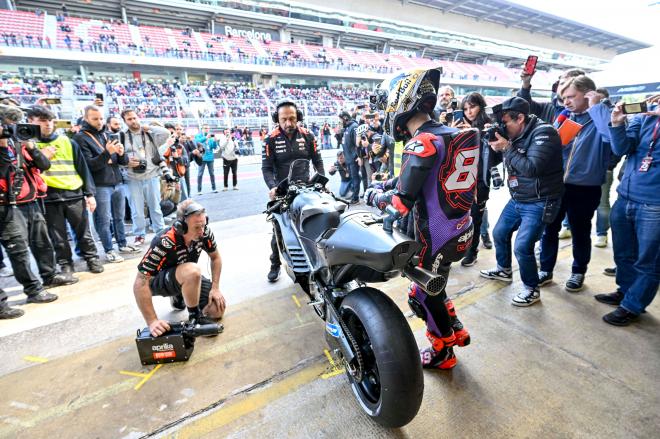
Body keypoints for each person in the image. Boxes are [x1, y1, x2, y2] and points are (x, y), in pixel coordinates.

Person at [365, 68, 477, 369]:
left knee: (422, 295)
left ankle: (443, 351)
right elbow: (424, 178)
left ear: (400, 103)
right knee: (437, 285)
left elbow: (400, 203)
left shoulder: (422, 142)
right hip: (462, 228)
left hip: (436, 236)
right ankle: (456, 327)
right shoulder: (453, 134)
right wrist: (387, 184)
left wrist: (374, 196)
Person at [479, 97, 564, 306]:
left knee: (523, 246)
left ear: (520, 118)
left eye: (505, 122)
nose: (503, 127)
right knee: (499, 233)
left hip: (540, 200)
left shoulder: (545, 133)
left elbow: (532, 168)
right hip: (519, 197)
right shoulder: (513, 134)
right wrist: (491, 143)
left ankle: (531, 289)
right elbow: (493, 161)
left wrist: (507, 147)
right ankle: (504, 270)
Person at [538, 75, 612, 292]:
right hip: (557, 184)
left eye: (570, 97)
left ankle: (578, 271)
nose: (566, 102)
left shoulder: (603, 116)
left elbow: (611, 138)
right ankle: (545, 270)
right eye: (563, 98)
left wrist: (597, 107)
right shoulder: (564, 116)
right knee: (549, 229)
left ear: (588, 94)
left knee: (580, 231)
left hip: (585, 187)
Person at [595, 96, 660, 326]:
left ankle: (633, 305)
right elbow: (622, 147)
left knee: (649, 261)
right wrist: (617, 122)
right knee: (623, 253)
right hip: (626, 196)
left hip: (655, 203)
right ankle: (625, 291)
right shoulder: (646, 113)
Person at [29, 105, 104, 275]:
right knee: (58, 236)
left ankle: (92, 258)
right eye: (42, 121)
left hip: (74, 194)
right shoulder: (29, 146)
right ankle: (66, 264)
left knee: (83, 232)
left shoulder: (67, 142)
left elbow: (82, 169)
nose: (47, 124)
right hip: (48, 197)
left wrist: (89, 194)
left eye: (50, 120)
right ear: (30, 122)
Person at [133, 199, 226, 337]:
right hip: (159, 281)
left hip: (187, 275)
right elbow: (140, 283)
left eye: (203, 225)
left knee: (216, 310)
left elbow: (216, 257)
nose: (201, 231)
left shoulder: (204, 232)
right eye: (196, 227)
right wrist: (152, 321)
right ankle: (195, 316)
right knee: (192, 271)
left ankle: (181, 296)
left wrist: (215, 288)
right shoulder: (165, 241)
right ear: (180, 226)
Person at [262, 101, 324, 282]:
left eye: (292, 119)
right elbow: (266, 168)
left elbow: (317, 161)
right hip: (281, 192)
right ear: (277, 120)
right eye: (284, 120)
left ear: (298, 118)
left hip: (307, 189)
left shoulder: (308, 135)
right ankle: (275, 264)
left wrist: (321, 180)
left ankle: (314, 260)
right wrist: (273, 187)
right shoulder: (270, 139)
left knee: (312, 224)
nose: (289, 123)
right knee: (280, 230)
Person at [75, 105, 138, 263]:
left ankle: (122, 244)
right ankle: (109, 250)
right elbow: (89, 165)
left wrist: (121, 154)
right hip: (99, 185)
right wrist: (107, 154)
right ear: (86, 119)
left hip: (117, 181)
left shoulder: (108, 134)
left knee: (119, 217)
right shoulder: (80, 138)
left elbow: (120, 162)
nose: (99, 121)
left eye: (101, 118)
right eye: (95, 118)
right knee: (103, 220)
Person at [451, 92, 498, 267]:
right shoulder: (459, 126)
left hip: (479, 181)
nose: (469, 112)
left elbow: (495, 155)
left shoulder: (488, 126)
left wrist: (475, 133)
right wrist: (454, 132)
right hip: (459, 178)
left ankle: (472, 252)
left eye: (473, 107)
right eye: (465, 108)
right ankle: (459, 247)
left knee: (475, 218)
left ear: (481, 106)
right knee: (458, 216)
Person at [120, 109, 169, 246]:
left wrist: (149, 127)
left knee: (155, 207)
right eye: (129, 119)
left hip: (151, 175)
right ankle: (139, 234)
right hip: (131, 178)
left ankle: (160, 232)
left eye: (135, 117)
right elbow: (117, 156)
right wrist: (126, 161)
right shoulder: (122, 136)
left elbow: (166, 133)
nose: (133, 121)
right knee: (137, 210)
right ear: (125, 121)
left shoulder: (150, 133)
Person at [338, 111, 361, 203]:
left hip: (353, 158)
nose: (340, 122)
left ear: (345, 118)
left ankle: (356, 197)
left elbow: (357, 144)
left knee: (355, 178)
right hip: (348, 158)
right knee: (353, 177)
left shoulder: (354, 127)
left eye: (340, 120)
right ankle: (354, 194)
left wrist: (358, 156)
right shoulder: (346, 128)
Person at [194, 125, 218, 194]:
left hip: (210, 158)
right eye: (205, 128)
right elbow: (197, 141)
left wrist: (215, 141)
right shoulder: (198, 136)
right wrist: (206, 137)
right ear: (202, 129)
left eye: (208, 128)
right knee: (200, 174)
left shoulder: (210, 137)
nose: (207, 129)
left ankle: (214, 188)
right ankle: (199, 190)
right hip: (201, 158)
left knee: (212, 174)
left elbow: (214, 147)